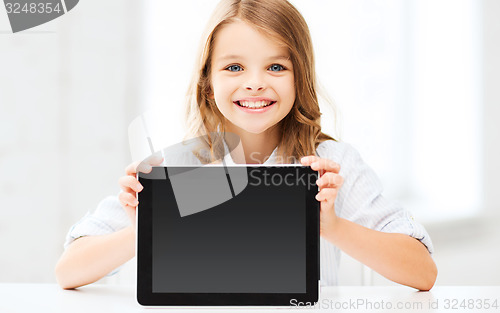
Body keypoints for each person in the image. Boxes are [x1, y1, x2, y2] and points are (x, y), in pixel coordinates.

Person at [55, 0, 437, 291]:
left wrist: (332, 226)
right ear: (208, 81)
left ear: (300, 77)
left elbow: (422, 271)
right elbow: (69, 271)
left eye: (276, 67)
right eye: (234, 67)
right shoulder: (175, 163)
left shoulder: (329, 164)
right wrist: (147, 229)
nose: (254, 83)